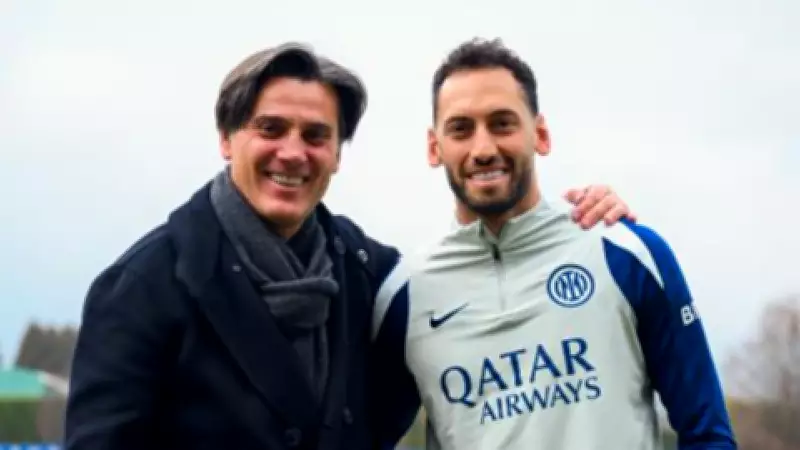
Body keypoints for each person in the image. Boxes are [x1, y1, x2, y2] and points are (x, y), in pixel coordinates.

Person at [64, 42, 635, 450]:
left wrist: (578, 222)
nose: (293, 152)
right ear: (226, 139)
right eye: (270, 129)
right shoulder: (142, 287)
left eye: (316, 135)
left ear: (337, 154)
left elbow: (489, 291)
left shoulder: (374, 276)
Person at [371, 38, 737, 450]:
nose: (483, 149)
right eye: (461, 129)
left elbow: (707, 434)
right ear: (434, 147)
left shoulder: (626, 254)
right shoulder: (405, 295)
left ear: (540, 135)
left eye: (502, 124)